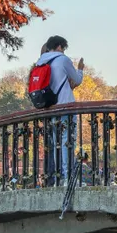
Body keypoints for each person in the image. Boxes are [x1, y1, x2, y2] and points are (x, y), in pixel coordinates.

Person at [34, 36, 85, 181]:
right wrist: (80, 69)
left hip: (51, 108)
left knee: (57, 142)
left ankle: (58, 178)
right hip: (65, 106)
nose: (63, 51)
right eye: (63, 48)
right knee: (67, 141)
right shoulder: (62, 59)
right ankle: (68, 177)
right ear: (59, 46)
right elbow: (77, 79)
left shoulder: (41, 62)